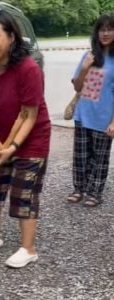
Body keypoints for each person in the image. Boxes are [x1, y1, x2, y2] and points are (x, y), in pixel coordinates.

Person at [0, 10, 51, 268]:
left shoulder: (28, 69)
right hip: (1, 139)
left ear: (11, 37)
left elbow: (29, 115)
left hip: (32, 138)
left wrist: (12, 147)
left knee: (23, 193)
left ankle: (29, 248)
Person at [66, 13, 114, 207]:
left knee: (100, 159)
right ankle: (79, 189)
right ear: (97, 33)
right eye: (102, 29)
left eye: (110, 29)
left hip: (104, 118)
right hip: (82, 115)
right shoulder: (88, 56)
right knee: (80, 156)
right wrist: (85, 67)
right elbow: (77, 87)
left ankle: (95, 192)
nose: (105, 33)